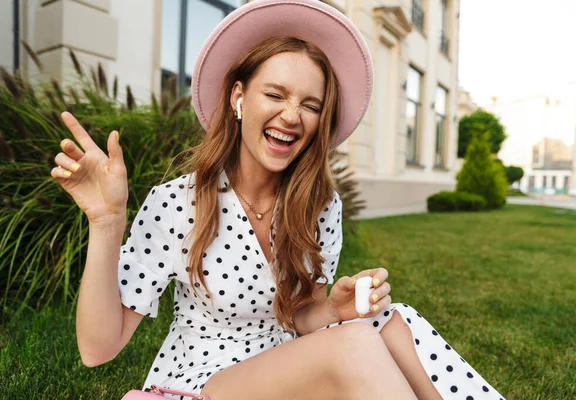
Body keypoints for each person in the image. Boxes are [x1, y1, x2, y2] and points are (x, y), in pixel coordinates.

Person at [51, 0, 505, 398]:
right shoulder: (178, 202)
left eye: (310, 105)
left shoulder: (319, 205)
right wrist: (107, 221)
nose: (292, 116)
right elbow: (97, 349)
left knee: (394, 320)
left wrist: (334, 310)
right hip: (203, 382)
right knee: (354, 344)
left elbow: (301, 317)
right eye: (275, 94)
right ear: (239, 98)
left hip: (293, 373)